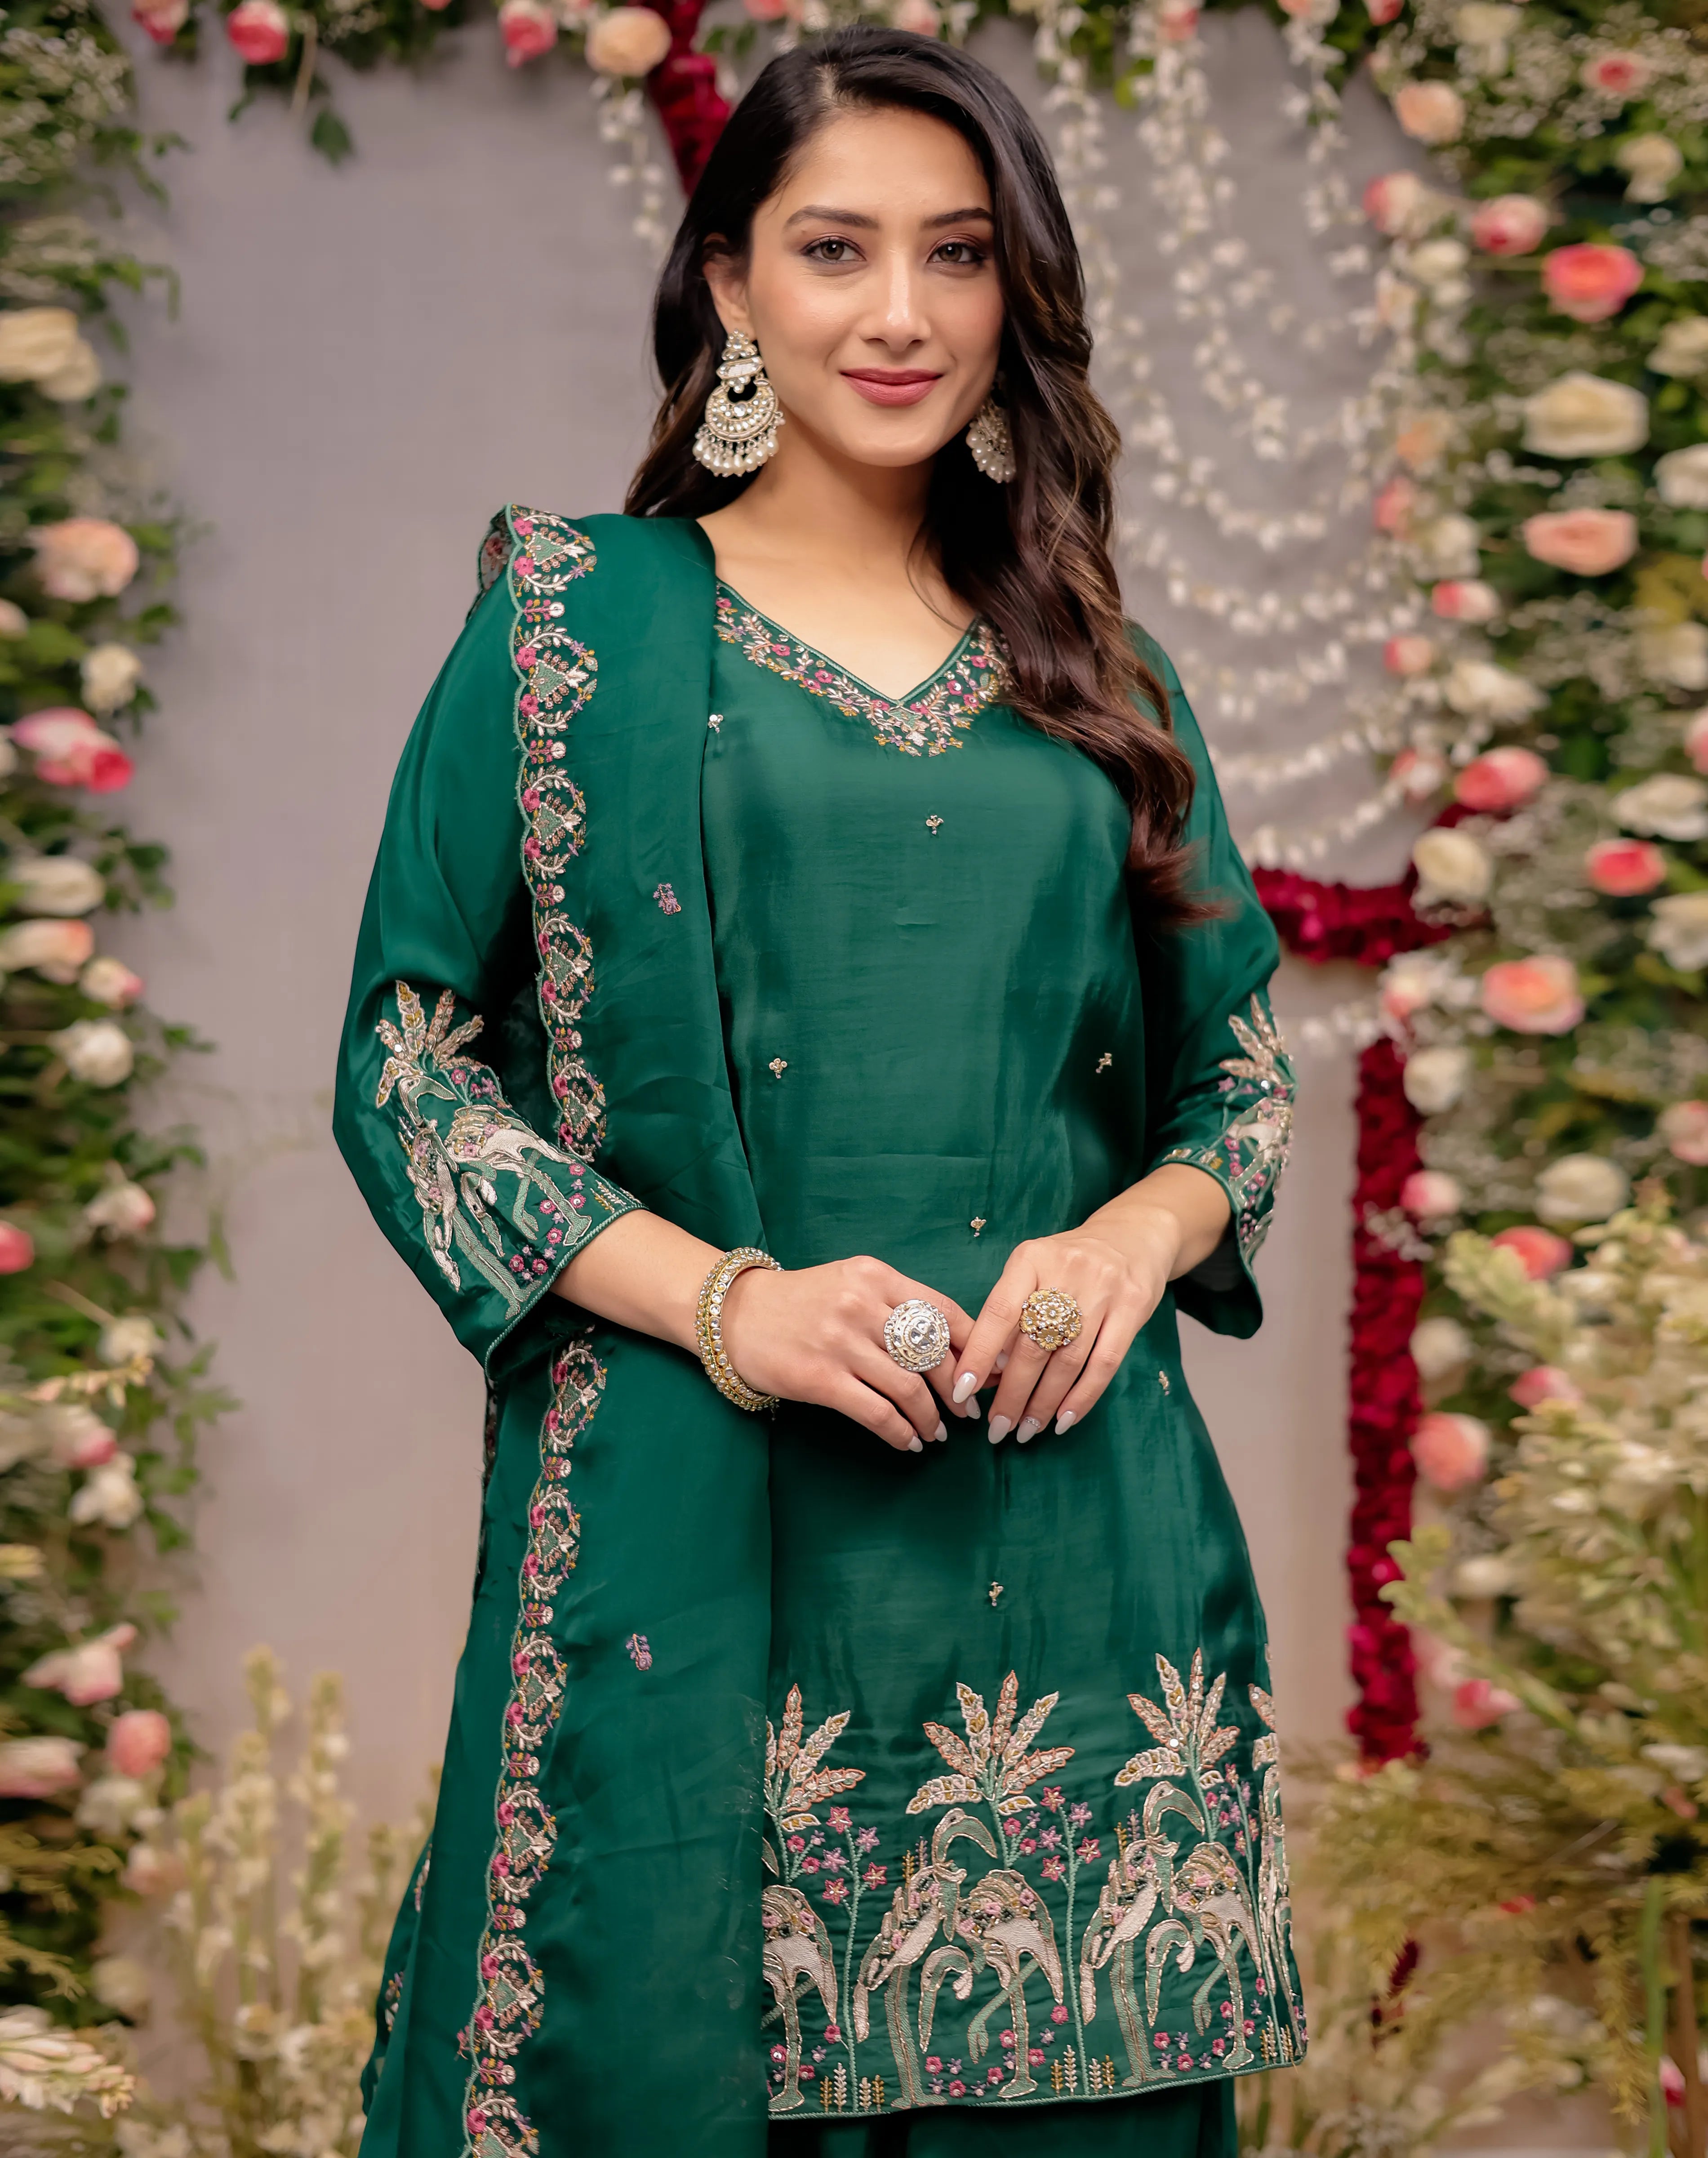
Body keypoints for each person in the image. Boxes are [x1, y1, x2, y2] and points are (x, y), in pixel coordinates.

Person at [334, 26, 1303, 2158]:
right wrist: (724, 1302)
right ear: (725, 288)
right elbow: (405, 1065)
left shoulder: (1102, 674)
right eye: (833, 247)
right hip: (714, 1538)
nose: (897, 312)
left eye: (953, 255)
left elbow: (1232, 1073)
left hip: (1070, 1559)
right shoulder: (578, 625)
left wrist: (1134, 1238)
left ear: (1011, 293)